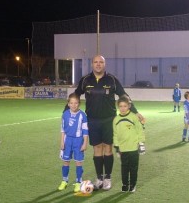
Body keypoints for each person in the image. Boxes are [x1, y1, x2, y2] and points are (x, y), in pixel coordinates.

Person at [66, 55, 144, 191]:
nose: (98, 64)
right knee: (97, 149)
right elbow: (76, 95)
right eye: (95, 62)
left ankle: (107, 178)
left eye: (101, 62)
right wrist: (66, 113)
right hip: (92, 120)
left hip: (109, 120)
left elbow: (124, 95)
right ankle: (99, 178)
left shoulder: (112, 80)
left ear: (104, 64)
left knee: (107, 148)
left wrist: (135, 112)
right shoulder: (85, 80)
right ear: (92, 64)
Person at [113, 96, 145, 192]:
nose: (123, 108)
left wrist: (141, 144)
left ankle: (133, 184)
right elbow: (115, 134)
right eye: (121, 106)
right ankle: (125, 184)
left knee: (133, 168)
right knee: (124, 168)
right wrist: (117, 147)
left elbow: (140, 131)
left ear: (129, 106)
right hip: (123, 149)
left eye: (125, 106)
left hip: (134, 148)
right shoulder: (116, 119)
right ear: (118, 107)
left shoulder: (134, 117)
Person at [58, 93, 89, 193]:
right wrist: (62, 141)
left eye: (76, 103)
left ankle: (78, 182)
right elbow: (63, 129)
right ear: (68, 104)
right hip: (67, 140)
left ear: (79, 104)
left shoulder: (82, 115)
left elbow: (85, 130)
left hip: (78, 141)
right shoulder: (65, 114)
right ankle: (64, 180)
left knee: (78, 162)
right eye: (71, 103)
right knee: (66, 161)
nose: (74, 105)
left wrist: (85, 143)